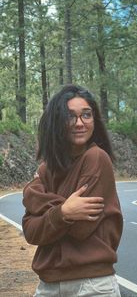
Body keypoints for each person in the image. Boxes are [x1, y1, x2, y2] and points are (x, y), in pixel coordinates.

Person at [22, 84, 123, 297]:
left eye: (86, 115)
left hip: (91, 285)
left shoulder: (96, 158)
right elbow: (30, 231)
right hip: (48, 284)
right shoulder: (47, 168)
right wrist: (64, 211)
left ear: (94, 120)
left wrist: (34, 193)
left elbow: (80, 229)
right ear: (57, 122)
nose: (79, 123)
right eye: (70, 116)